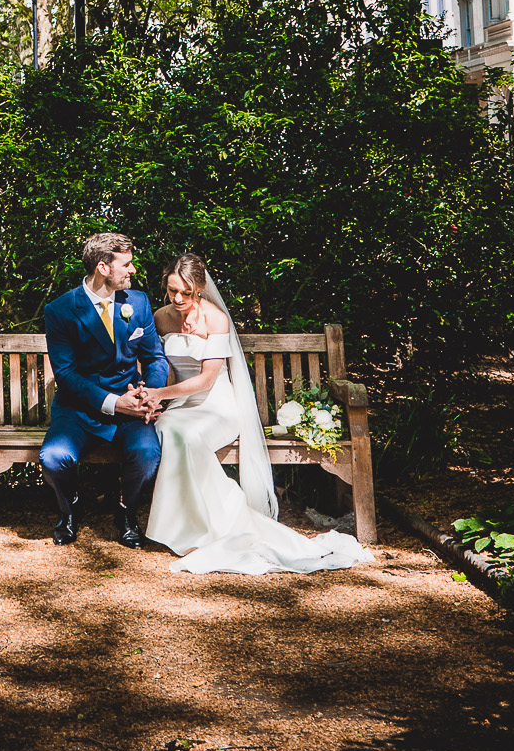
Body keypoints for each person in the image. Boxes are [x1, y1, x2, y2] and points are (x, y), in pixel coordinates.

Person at [132, 252, 370, 574]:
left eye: (186, 293)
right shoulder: (161, 317)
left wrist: (160, 394)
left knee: (184, 433)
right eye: (172, 290)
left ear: (199, 288)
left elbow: (206, 379)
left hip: (216, 406)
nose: (178, 298)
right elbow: (164, 367)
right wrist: (151, 394)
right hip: (179, 404)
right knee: (170, 428)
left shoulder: (216, 319)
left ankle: (210, 523)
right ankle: (185, 525)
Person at [39, 232, 166, 547]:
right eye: (125, 264)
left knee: (147, 453)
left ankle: (126, 510)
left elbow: (155, 359)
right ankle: (70, 510)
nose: (132, 270)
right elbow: (66, 374)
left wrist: (148, 395)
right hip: (79, 410)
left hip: (130, 411)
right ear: (103, 268)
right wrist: (113, 402)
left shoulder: (137, 302)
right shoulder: (61, 310)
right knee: (54, 457)